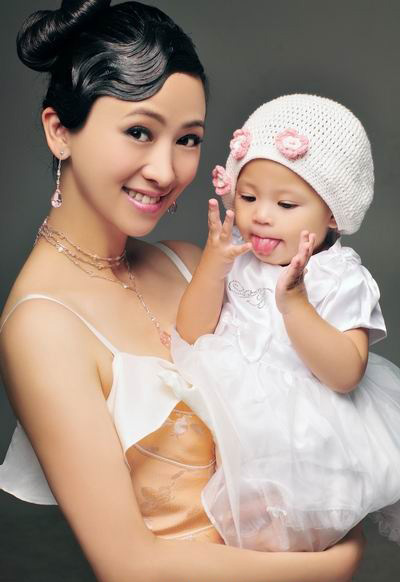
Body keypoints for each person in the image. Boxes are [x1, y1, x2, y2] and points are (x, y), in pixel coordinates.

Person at [0, 2, 364, 580]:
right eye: (138, 132)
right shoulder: (41, 327)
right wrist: (337, 564)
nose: (166, 171)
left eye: (188, 139)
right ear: (59, 131)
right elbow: (129, 565)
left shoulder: (191, 264)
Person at [173, 94, 400, 553]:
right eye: (248, 196)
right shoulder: (238, 255)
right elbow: (191, 333)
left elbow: (345, 373)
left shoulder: (339, 276)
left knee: (285, 543)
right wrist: (213, 266)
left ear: (331, 213)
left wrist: (296, 304)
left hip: (306, 438)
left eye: (286, 204)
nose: (261, 215)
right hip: (228, 418)